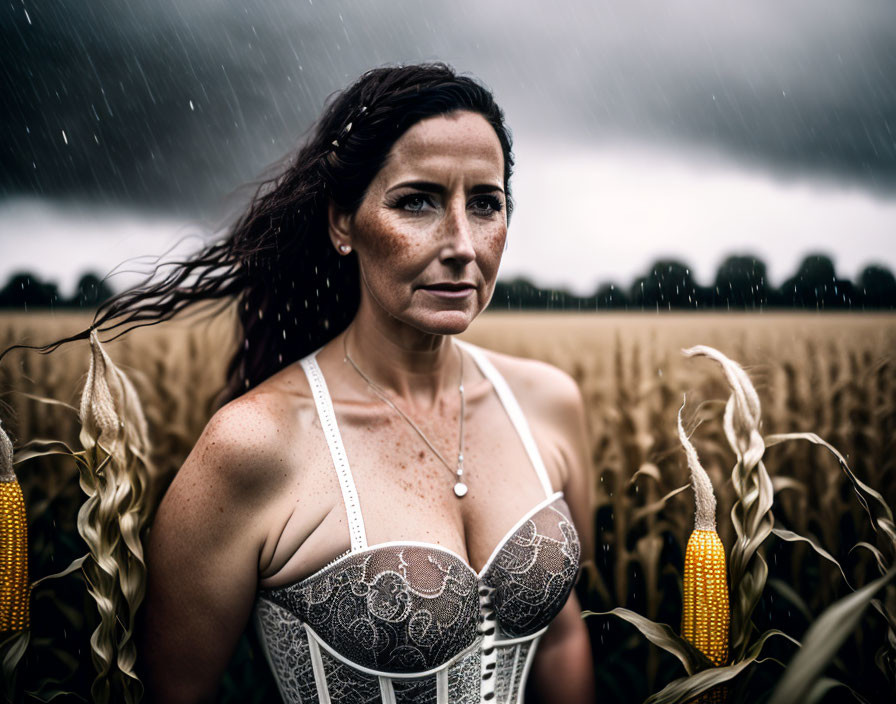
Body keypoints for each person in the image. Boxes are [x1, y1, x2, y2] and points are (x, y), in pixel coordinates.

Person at [100, 62, 594, 702]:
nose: (462, 244)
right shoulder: (255, 445)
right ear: (342, 223)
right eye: (416, 201)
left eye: (485, 203)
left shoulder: (549, 406)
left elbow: (561, 634)